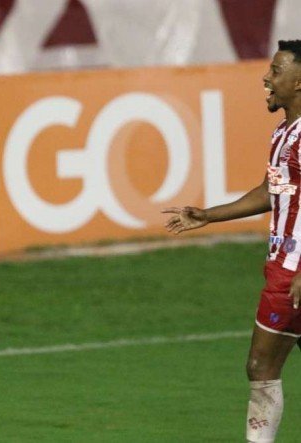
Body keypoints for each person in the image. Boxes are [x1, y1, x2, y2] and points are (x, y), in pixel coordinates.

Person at [163, 40, 301, 443]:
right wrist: (208, 215)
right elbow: (267, 192)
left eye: (276, 71)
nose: (266, 78)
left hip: (292, 273)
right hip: (284, 269)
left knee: (261, 366)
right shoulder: (284, 134)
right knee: (261, 366)